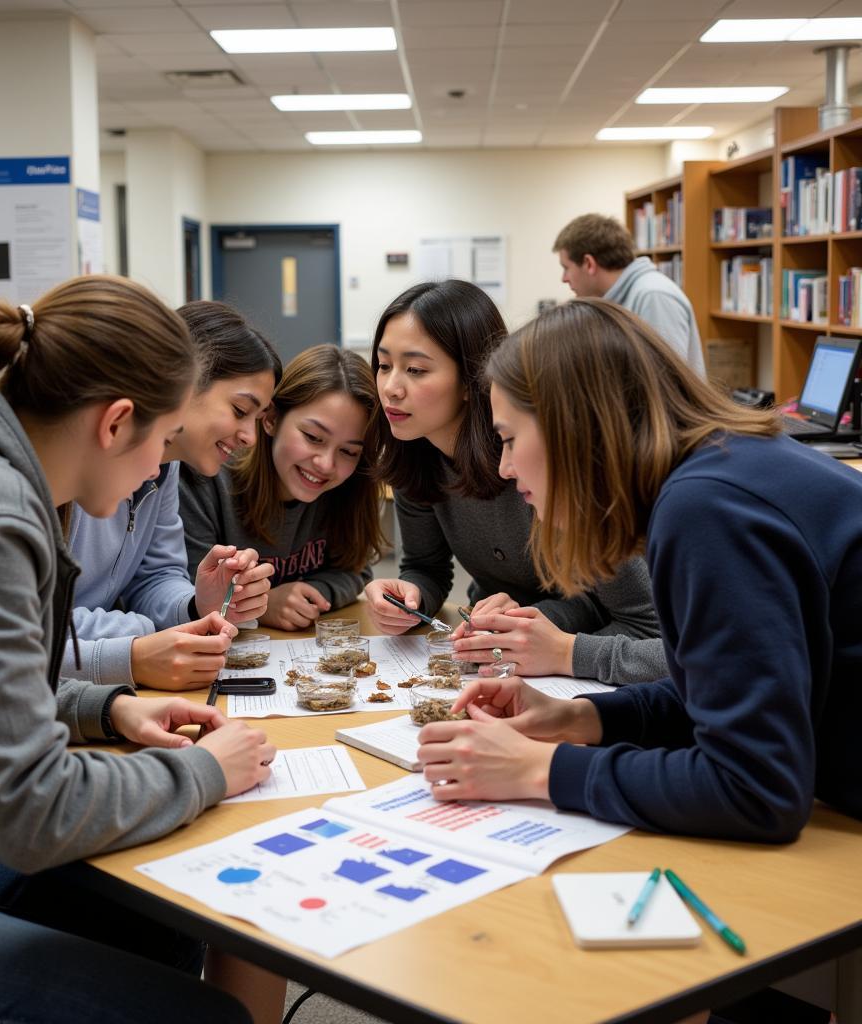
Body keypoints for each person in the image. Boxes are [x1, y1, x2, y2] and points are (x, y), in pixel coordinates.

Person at [0, 275, 276, 1022]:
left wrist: (107, 710)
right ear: (115, 425)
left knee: (161, 913)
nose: (155, 472)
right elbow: (28, 811)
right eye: (160, 442)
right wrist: (203, 771)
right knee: (209, 1017)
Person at [418, 297, 862, 842]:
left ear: (572, 427)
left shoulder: (705, 509)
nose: (506, 468)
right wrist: (578, 718)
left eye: (509, 439)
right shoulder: (721, 468)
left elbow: (756, 789)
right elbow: (720, 689)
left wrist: (538, 770)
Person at [361, 279, 666, 686]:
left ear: (472, 380)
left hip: (572, 662)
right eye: (383, 365)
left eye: (415, 370)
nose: (390, 388)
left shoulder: (539, 464)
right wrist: (409, 598)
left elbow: (638, 621)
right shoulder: (416, 455)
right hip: (503, 653)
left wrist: (543, 622)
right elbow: (425, 567)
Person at [68, 299, 281, 690]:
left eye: (257, 418)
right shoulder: (63, 470)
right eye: (239, 410)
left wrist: (198, 603)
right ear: (183, 383)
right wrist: (142, 636)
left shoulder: (166, 467)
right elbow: (26, 630)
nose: (251, 437)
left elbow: (153, 576)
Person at [182, 344, 385, 631]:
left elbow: (356, 571)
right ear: (272, 419)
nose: (326, 464)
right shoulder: (208, 475)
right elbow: (185, 593)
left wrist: (308, 595)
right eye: (313, 437)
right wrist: (263, 606)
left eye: (349, 452)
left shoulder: (348, 489)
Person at [553, 212, 706, 375]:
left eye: (566, 268)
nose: (564, 279)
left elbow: (666, 382)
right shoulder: (613, 300)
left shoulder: (653, 296)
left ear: (589, 264)